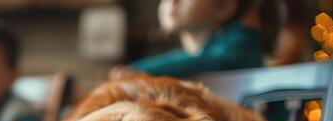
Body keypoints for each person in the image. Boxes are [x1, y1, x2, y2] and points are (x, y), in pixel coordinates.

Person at [111, 0, 280, 79]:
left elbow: (215, 61)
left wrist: (139, 71)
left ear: (224, 7)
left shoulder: (243, 40)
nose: (172, 2)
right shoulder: (187, 55)